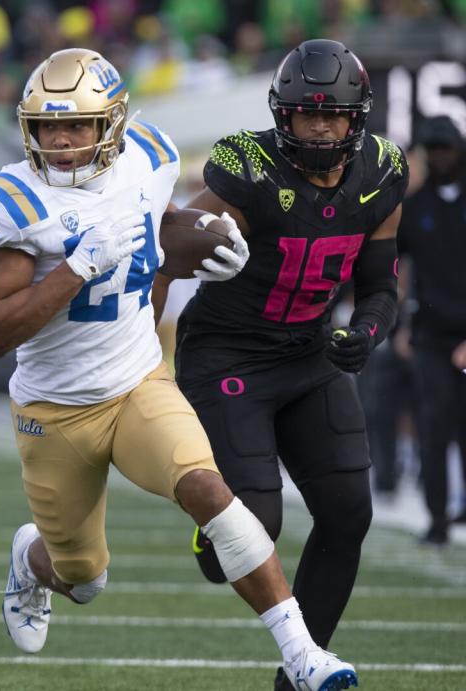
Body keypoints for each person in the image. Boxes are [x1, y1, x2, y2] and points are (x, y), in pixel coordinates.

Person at [0, 47, 359, 691]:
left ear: (114, 124)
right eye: (47, 127)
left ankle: (303, 654)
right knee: (82, 578)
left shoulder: (150, 156)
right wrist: (74, 269)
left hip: (136, 383)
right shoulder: (16, 202)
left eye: (77, 126)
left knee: (211, 492)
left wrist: (209, 241)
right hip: (55, 410)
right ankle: (31, 563)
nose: (61, 142)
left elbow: (158, 228)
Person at [156, 39, 407, 691]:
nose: (320, 127)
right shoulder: (250, 170)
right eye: (306, 114)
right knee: (253, 528)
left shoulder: (381, 172)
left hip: (309, 353)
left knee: (350, 510)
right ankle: (211, 528)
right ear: (281, 115)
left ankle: (302, 668)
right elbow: (173, 243)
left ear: (357, 119)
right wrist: (198, 241)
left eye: (334, 114)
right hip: (228, 353)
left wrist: (368, 331)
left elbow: (382, 284)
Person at [397, 114, 466, 546]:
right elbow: (397, 264)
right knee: (434, 425)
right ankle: (437, 517)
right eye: (433, 150)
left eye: (447, 150)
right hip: (433, 336)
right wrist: (403, 320)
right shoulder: (416, 206)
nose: (441, 158)